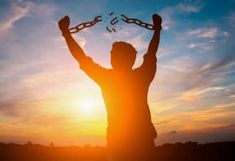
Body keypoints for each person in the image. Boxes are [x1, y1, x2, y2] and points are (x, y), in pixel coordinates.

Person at [58, 13, 162, 161]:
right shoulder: (142, 76)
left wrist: (66, 33)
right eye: (112, 53)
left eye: (114, 54)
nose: (111, 56)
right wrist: (157, 29)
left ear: (125, 58)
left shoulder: (108, 79)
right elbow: (151, 53)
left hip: (122, 145)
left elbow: (81, 57)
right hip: (137, 145)